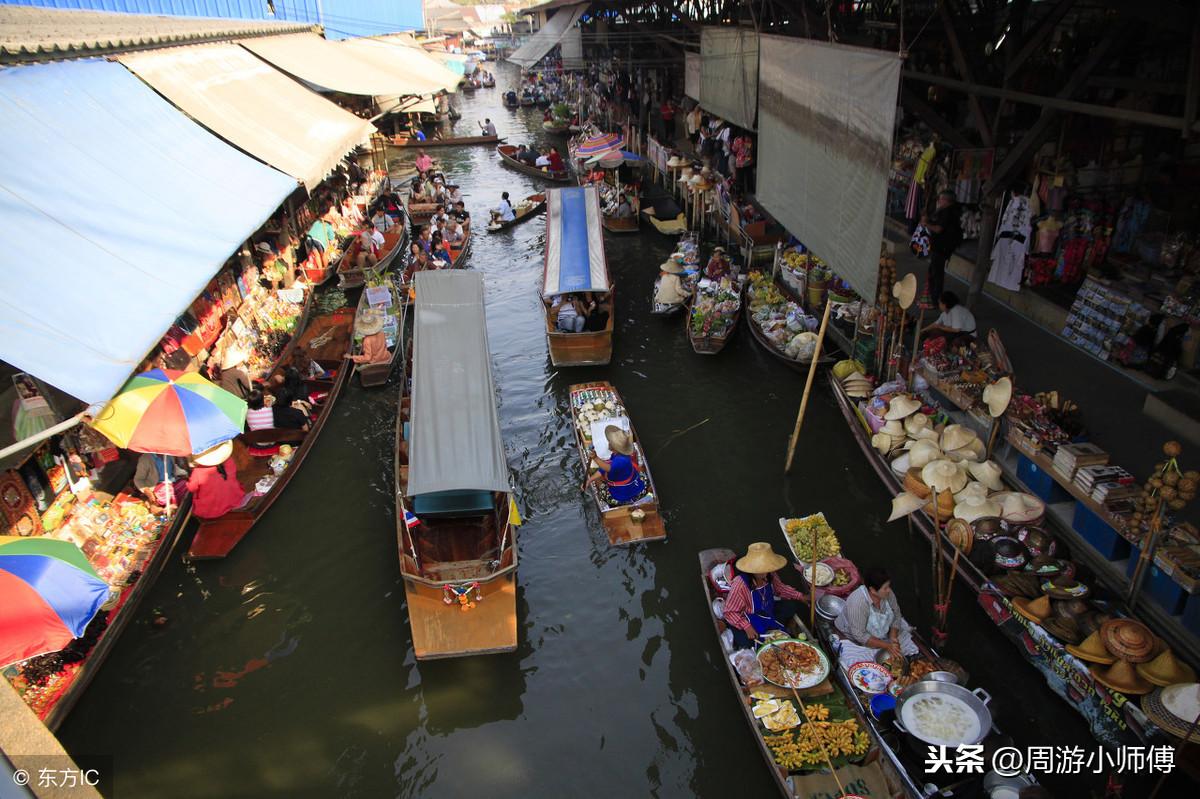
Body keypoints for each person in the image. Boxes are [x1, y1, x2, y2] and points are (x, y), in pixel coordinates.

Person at [722, 542, 807, 648]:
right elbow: (729, 612)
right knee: (747, 643)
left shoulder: (769, 573)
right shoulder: (740, 585)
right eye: (761, 571)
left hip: (767, 610)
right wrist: (747, 626)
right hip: (748, 616)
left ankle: (774, 626)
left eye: (767, 569)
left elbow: (779, 588)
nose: (765, 574)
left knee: (792, 606)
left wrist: (800, 596)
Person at [833, 567, 919, 670]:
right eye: (885, 588)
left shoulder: (888, 594)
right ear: (872, 590)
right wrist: (887, 646)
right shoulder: (858, 603)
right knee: (855, 663)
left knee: (901, 643)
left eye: (889, 586)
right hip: (854, 638)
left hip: (880, 633)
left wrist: (893, 638)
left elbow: (896, 615)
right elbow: (860, 635)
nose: (889, 590)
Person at [186, 442, 250, 519]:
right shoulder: (229, 461)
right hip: (233, 498)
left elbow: (191, 488)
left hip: (211, 509)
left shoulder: (198, 471)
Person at [587, 425, 645, 504]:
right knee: (596, 477)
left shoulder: (621, 460)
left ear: (614, 447)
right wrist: (589, 480)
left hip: (622, 497)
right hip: (633, 486)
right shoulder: (619, 455)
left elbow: (608, 468)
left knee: (598, 481)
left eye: (610, 441)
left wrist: (595, 457)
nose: (608, 442)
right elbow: (604, 468)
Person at [922, 190, 962, 302]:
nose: (939, 201)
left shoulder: (948, 213)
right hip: (939, 247)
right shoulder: (944, 211)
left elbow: (938, 229)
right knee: (933, 272)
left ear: (946, 200)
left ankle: (935, 299)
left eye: (941, 199)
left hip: (942, 248)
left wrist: (927, 224)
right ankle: (931, 296)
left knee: (936, 274)